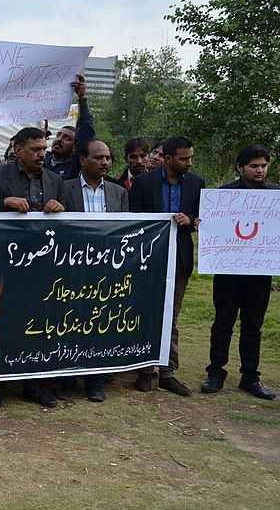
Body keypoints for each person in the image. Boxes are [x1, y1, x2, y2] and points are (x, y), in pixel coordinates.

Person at [0, 126, 65, 408]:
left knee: (41, 323)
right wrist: (3, 203)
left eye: (44, 150)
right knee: (2, 323)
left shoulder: (54, 180)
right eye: (35, 150)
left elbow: (70, 217)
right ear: (17, 150)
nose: (42, 155)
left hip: (43, 266)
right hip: (4, 264)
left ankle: (36, 385)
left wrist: (60, 206)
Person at [130, 135, 205, 396]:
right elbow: (133, 221)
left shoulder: (197, 183)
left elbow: (201, 219)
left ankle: (167, 371)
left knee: (171, 315)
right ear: (168, 159)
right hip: (148, 258)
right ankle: (144, 370)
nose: (189, 163)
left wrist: (192, 219)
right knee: (146, 311)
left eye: (191, 158)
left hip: (180, 258)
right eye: (184, 158)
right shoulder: (142, 183)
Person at [201, 144, 276, 400]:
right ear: (239, 167)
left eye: (263, 166)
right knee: (223, 322)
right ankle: (215, 373)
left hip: (259, 272)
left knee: (253, 326)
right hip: (227, 271)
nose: (259, 170)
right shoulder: (223, 195)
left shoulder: (274, 196)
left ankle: (250, 377)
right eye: (253, 166)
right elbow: (214, 228)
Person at [57, 139, 129, 402]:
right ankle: (66, 379)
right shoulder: (63, 188)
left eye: (108, 158)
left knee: (101, 323)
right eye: (99, 158)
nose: (105, 163)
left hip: (106, 271)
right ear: (82, 160)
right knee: (69, 323)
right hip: (71, 271)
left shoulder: (118, 192)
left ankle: (95, 381)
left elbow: (124, 232)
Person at [43, 74, 94, 180]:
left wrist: (82, 98)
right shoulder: (42, 161)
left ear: (75, 147)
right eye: (59, 135)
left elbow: (86, 130)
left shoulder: (76, 164)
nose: (59, 139)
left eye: (67, 138)